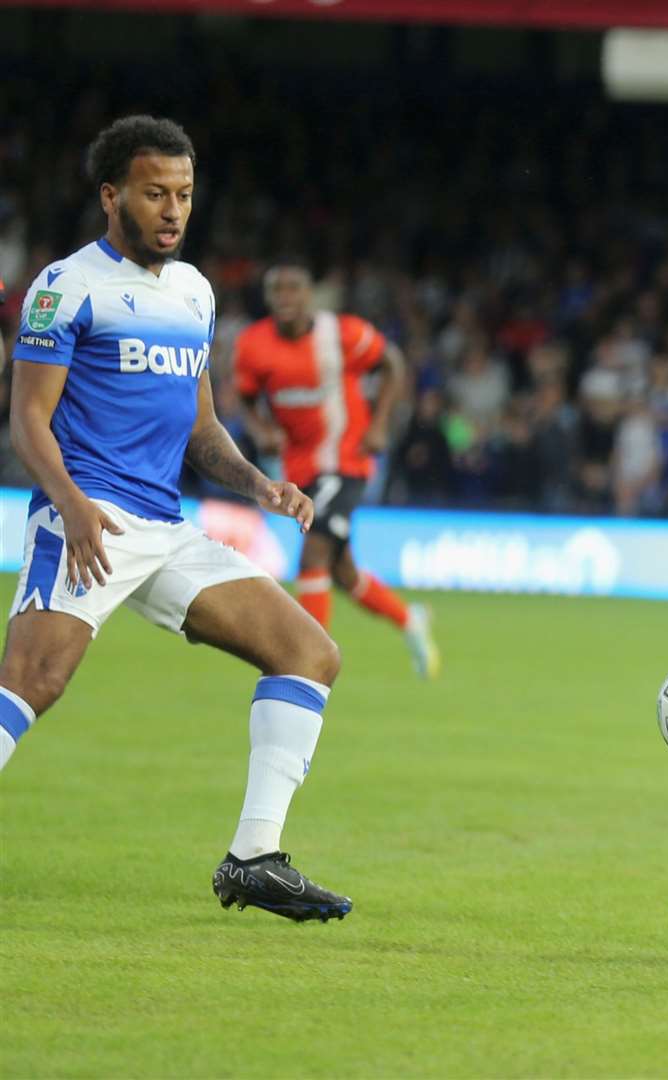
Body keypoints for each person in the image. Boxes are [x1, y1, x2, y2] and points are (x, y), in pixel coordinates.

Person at [1, 115, 351, 920]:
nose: (172, 209)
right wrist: (72, 506)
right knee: (31, 683)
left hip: (163, 528)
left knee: (308, 652)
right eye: (156, 192)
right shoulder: (67, 286)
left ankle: (254, 859)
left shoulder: (193, 292)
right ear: (111, 194)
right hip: (87, 518)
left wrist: (257, 482)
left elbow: (200, 427)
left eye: (185, 194)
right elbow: (27, 419)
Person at [233, 262, 439, 678]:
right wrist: (261, 429)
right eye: (277, 290)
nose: (286, 298)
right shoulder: (254, 345)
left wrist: (380, 423)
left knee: (314, 551)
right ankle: (410, 621)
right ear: (269, 298)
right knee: (342, 572)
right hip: (299, 468)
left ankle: (309, 658)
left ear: (309, 295)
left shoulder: (342, 333)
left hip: (346, 459)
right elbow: (245, 396)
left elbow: (393, 363)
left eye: (294, 289)